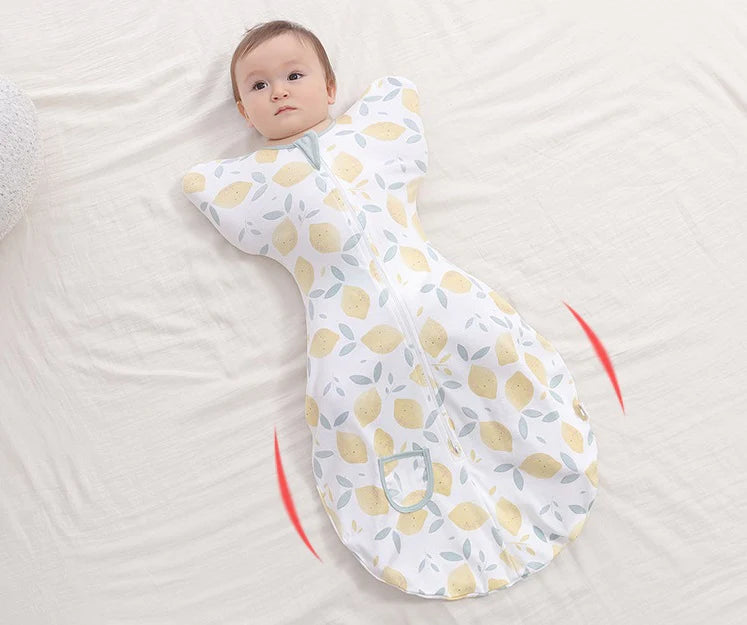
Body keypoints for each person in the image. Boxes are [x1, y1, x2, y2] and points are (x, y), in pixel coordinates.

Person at [230, 20, 337, 147]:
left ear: (328, 89)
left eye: (294, 76)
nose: (279, 92)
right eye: (260, 86)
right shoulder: (249, 160)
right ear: (245, 112)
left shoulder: (357, 122)